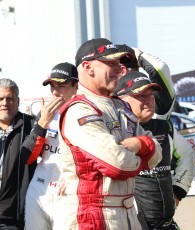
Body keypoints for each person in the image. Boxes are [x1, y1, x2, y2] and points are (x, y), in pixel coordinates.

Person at [53, 38, 162, 230]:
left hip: (126, 212)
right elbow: (118, 165)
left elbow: (157, 154)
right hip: (92, 215)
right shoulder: (80, 110)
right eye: (110, 63)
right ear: (87, 67)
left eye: (119, 63)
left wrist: (142, 145)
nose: (119, 68)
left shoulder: (120, 105)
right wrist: (143, 155)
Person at [115, 71, 195, 229]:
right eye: (141, 96)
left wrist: (178, 191)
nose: (149, 100)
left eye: (151, 95)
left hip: (167, 223)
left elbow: (187, 154)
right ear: (122, 99)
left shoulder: (164, 126)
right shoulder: (117, 130)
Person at [23, 62, 78, 229]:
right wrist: (42, 123)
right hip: (39, 189)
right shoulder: (44, 112)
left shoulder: (86, 112)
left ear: (76, 86)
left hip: (68, 192)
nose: (55, 91)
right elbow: (27, 157)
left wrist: (75, 178)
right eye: (52, 86)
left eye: (61, 85)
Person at [0, 78, 36, 229]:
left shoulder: (31, 126)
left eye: (9, 98)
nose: (4, 103)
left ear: (18, 101)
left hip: (13, 216)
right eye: (0, 98)